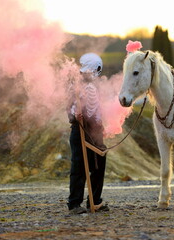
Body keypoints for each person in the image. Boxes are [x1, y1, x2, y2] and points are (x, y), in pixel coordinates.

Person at [67, 53, 109, 214]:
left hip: (96, 131)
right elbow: (69, 107)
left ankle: (95, 201)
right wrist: (74, 115)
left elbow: (98, 108)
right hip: (80, 130)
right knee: (79, 166)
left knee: (99, 164)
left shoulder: (96, 86)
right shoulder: (75, 86)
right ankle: (74, 204)